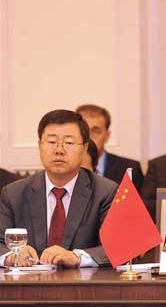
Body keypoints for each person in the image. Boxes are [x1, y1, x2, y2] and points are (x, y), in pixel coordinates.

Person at [0, 110, 118, 267]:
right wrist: (10, 256)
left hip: (84, 288)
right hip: (29, 287)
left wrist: (78, 257)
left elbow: (119, 246)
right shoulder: (14, 193)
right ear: (40, 146)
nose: (59, 150)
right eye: (51, 142)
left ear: (84, 148)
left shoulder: (106, 192)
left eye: (69, 143)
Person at [76, 104, 144, 189]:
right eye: (84, 130)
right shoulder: (63, 166)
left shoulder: (130, 169)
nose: (88, 136)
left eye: (95, 131)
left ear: (107, 136)